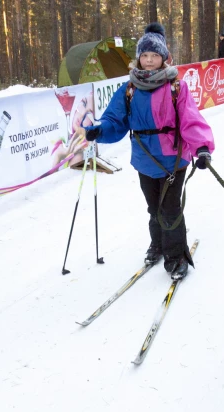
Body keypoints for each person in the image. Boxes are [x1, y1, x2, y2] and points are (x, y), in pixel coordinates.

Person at [72, 23, 215, 279]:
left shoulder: (175, 88)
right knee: (153, 208)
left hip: (173, 159)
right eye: (145, 56)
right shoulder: (129, 89)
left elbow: (191, 120)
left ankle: (175, 256)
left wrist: (202, 148)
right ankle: (158, 244)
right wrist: (99, 130)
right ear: (139, 58)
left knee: (170, 208)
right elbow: (115, 120)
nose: (149, 61)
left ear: (163, 58)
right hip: (144, 159)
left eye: (154, 56)